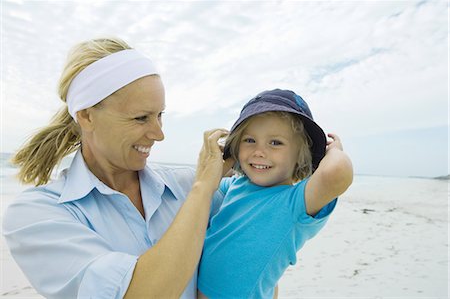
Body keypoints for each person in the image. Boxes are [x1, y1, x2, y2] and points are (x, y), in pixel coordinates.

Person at [2, 37, 233, 299]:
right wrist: (202, 191)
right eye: (141, 118)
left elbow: (259, 259)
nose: (159, 134)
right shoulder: (37, 214)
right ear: (87, 116)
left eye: (160, 115)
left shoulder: (188, 186)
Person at [197, 89, 353, 298]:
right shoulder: (235, 185)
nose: (259, 152)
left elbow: (336, 173)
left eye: (275, 142)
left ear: (301, 154)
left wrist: (334, 151)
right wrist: (226, 158)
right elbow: (206, 184)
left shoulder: (295, 202)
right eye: (249, 140)